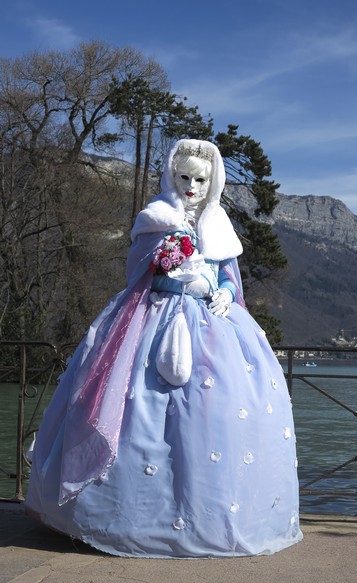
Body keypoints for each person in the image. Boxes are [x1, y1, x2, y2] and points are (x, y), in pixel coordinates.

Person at [25, 139, 303, 558]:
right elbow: (139, 273)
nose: (191, 186)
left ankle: (210, 515)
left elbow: (228, 273)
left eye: (200, 179)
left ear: (213, 182)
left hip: (214, 325)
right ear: (172, 176)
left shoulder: (219, 224)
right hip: (152, 319)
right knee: (139, 409)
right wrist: (171, 274)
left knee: (218, 413)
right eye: (184, 177)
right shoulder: (154, 217)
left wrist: (224, 291)